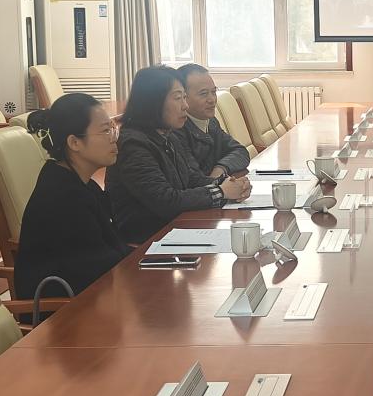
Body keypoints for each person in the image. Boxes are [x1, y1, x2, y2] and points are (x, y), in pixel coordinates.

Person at [107, 65, 251, 244]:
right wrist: (221, 192)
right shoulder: (132, 145)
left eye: (184, 97)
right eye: (178, 98)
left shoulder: (167, 135)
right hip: (148, 242)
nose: (185, 106)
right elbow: (166, 201)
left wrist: (229, 184)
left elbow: (192, 178)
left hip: (177, 230)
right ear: (154, 102)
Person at [15, 93, 131, 301]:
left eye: (113, 128)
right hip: (64, 312)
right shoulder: (63, 198)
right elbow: (95, 268)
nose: (114, 137)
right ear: (74, 142)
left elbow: (109, 251)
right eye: (105, 131)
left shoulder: (80, 183)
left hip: (97, 296)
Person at [174, 63, 250, 177]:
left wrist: (221, 168)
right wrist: (216, 182)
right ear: (183, 97)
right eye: (203, 94)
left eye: (214, 92)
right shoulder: (177, 130)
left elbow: (240, 151)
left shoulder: (211, 121)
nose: (212, 100)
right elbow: (194, 178)